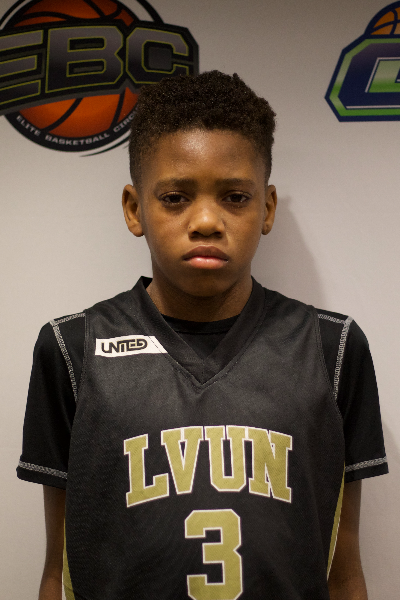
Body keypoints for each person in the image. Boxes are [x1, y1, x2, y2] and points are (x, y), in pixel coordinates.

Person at [17, 71, 388, 600]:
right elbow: (60, 570)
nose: (207, 221)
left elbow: (344, 570)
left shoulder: (333, 348)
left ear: (267, 208)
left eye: (235, 197)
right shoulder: (72, 349)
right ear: (134, 209)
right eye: (175, 197)